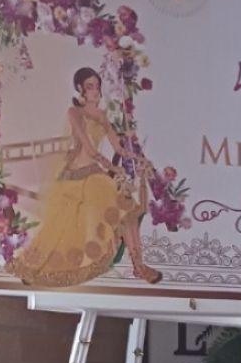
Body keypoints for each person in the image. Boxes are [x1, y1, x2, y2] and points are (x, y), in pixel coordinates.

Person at [13, 66, 161, 287]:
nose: (95, 91)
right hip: (77, 176)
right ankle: (36, 268)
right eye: (90, 86)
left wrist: (138, 159)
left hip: (95, 175)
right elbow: (90, 150)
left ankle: (139, 266)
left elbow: (119, 148)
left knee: (128, 210)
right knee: (60, 231)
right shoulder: (75, 113)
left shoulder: (102, 116)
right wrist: (114, 168)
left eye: (97, 86)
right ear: (80, 89)